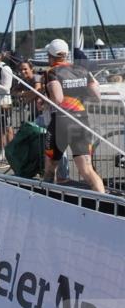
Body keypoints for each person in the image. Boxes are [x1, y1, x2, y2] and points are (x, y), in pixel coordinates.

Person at [42, 39, 105, 193]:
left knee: (50, 166)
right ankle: (103, 199)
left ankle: (47, 197)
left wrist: (46, 101)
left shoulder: (52, 72)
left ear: (50, 56)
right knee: (87, 170)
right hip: (81, 121)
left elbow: (58, 99)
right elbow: (97, 96)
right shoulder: (82, 70)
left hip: (61, 123)